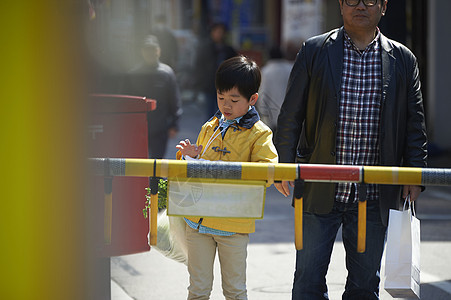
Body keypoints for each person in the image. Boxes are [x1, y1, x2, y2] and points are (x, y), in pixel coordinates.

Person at [274, 0, 427, 299]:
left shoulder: (402, 59)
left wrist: (415, 174)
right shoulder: (315, 50)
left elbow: (415, 124)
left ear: (383, 7)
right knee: (307, 282)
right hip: (318, 188)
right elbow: (291, 114)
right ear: (341, 6)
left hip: (372, 196)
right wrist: (284, 164)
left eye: (369, 0)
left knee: (364, 284)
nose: (360, 6)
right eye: (352, 0)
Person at [176, 55, 278, 300]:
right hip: (196, 222)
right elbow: (191, 171)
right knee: (197, 289)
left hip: (233, 226)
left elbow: (268, 172)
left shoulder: (259, 133)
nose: (226, 105)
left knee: (234, 290)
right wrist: (185, 156)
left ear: (252, 99)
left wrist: (227, 169)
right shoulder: (210, 126)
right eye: (221, 97)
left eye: (234, 99)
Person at [122, 35, 182, 159]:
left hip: (160, 127)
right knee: (138, 163)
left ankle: (156, 180)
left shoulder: (166, 72)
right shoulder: (134, 74)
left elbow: (174, 99)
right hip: (138, 128)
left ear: (158, 51)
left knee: (157, 165)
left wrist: (174, 124)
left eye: (153, 49)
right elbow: (126, 102)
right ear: (142, 52)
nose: (150, 53)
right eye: (147, 49)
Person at [194, 22, 238, 119]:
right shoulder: (205, 48)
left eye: (221, 32)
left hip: (226, 86)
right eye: (217, 32)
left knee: (224, 112)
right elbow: (198, 66)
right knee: (210, 112)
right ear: (212, 33)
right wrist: (200, 82)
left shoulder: (229, 50)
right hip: (209, 84)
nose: (219, 34)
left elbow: (235, 66)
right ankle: (211, 132)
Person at [256, 45, 294, 132]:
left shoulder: (265, 72)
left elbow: (262, 95)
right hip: (291, 115)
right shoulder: (291, 69)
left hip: (272, 117)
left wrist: (263, 116)